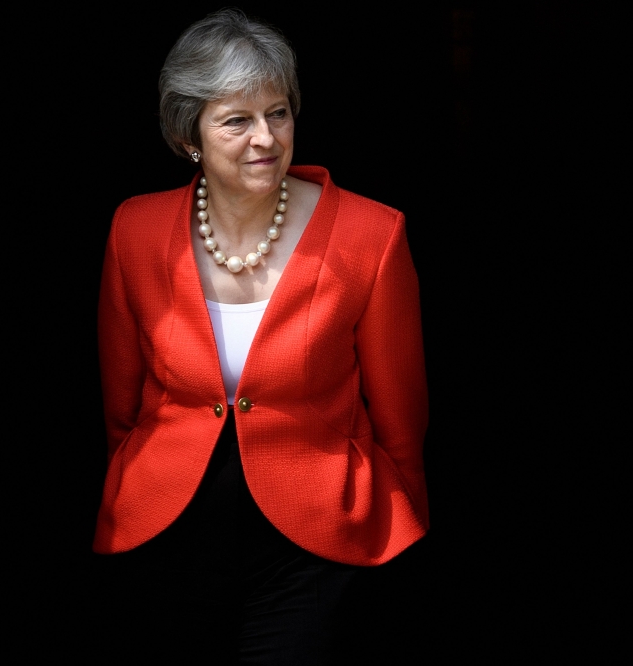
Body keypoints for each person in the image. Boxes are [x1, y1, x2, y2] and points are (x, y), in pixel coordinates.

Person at [93, 9, 428, 663]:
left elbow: (401, 425)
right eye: (237, 120)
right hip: (169, 538)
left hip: (318, 545)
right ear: (188, 135)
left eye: (278, 113)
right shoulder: (135, 230)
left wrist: (399, 536)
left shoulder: (371, 236)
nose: (266, 138)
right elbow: (121, 410)